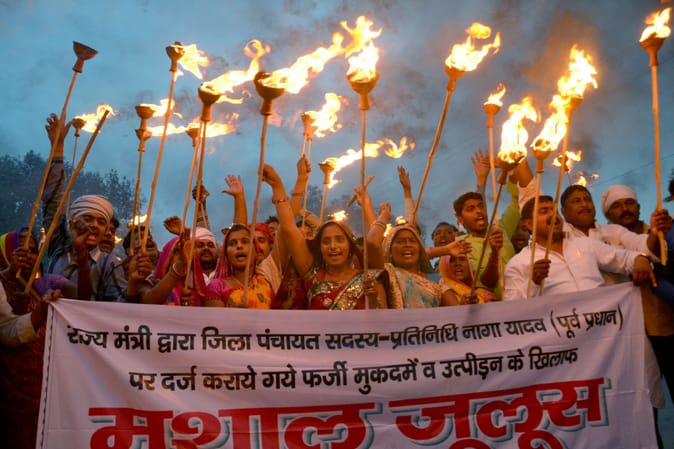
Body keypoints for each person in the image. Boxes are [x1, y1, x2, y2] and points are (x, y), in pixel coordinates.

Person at [262, 164, 386, 310]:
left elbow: (384, 321)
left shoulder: (369, 280)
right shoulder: (312, 274)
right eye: (326, 241)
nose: (333, 246)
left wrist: (372, 299)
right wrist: (277, 186)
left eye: (339, 240)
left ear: (350, 246)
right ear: (319, 248)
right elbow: (288, 228)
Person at [41, 113, 128, 302]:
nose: (95, 225)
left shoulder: (109, 263)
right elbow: (52, 202)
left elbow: (121, 309)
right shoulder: (59, 246)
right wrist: (57, 149)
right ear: (72, 222)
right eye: (88, 218)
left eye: (101, 222)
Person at [504, 195, 656, 300]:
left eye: (555, 211)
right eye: (544, 211)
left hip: (604, 329)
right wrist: (533, 282)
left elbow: (622, 258)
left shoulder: (584, 244)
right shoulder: (519, 263)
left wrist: (639, 259)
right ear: (529, 224)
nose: (553, 215)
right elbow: (511, 308)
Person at [0, 228, 69, 449]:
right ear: (5, 253)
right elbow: (8, 334)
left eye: (32, 250)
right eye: (20, 249)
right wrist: (10, 273)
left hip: (42, 389)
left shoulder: (40, 288)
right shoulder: (2, 284)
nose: (28, 255)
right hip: (10, 391)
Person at [377, 222, 469, 308]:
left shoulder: (437, 281)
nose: (407, 245)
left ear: (420, 249)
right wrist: (445, 250)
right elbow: (372, 244)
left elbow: (455, 311)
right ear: (390, 251)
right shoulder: (386, 275)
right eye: (400, 241)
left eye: (412, 241)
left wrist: (465, 305)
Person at [204, 224, 274, 308]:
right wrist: (236, 314)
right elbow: (214, 317)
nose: (239, 246)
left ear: (256, 251)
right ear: (226, 255)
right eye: (232, 243)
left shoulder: (266, 284)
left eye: (245, 241)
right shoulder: (216, 287)